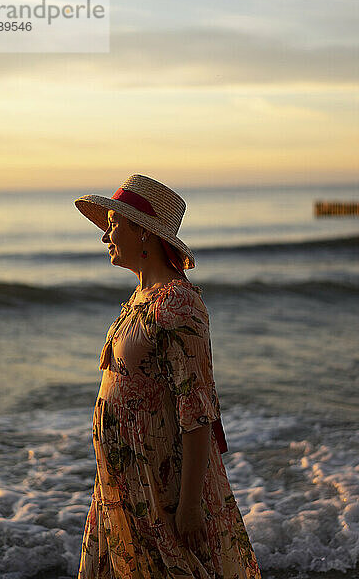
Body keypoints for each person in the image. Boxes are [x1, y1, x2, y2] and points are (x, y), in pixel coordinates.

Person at [74, 174, 262, 578]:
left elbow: (197, 409)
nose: (106, 236)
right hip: (126, 478)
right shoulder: (141, 298)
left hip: (162, 483)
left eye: (113, 224)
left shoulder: (178, 302)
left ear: (142, 232)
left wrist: (191, 504)